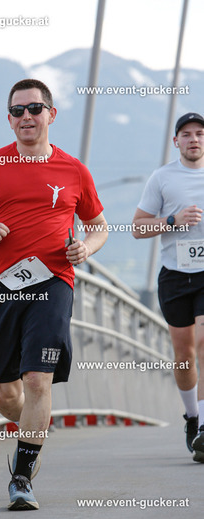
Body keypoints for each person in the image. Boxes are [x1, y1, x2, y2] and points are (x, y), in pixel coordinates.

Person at [0, 78, 108, 509]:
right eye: (17, 111)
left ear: (51, 114)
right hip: (1, 288)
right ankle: (35, 429)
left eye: (34, 109)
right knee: (6, 394)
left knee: (37, 379)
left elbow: (99, 227)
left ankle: (22, 476)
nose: (26, 117)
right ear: (10, 119)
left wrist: (85, 248)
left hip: (53, 281)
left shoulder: (74, 170)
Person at [132, 112, 204, 462]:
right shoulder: (162, 177)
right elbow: (138, 228)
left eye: (200, 133)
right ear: (176, 141)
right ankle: (191, 416)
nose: (194, 139)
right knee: (184, 354)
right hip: (174, 275)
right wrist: (173, 220)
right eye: (186, 134)